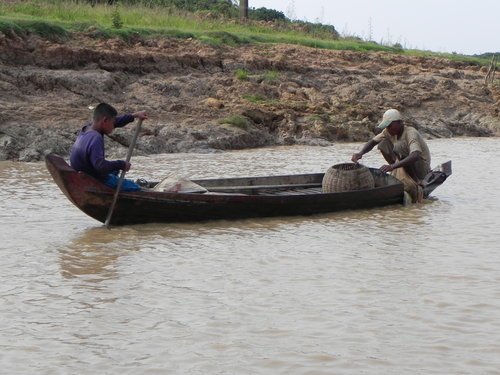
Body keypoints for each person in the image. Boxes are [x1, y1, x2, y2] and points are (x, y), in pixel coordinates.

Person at [351, 108, 431, 202]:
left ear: (399, 123)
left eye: (390, 126)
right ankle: (399, 171)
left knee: (400, 148)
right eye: (387, 126)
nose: (388, 129)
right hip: (404, 162)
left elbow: (416, 155)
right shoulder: (389, 131)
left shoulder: (410, 133)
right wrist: (360, 153)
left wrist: (392, 166)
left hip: (420, 167)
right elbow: (372, 142)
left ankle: (416, 181)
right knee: (382, 144)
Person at [70, 102, 148, 190]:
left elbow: (117, 121)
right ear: (105, 121)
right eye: (112, 123)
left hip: (86, 173)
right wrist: (121, 164)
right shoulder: (96, 138)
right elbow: (101, 166)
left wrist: (135, 115)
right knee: (135, 188)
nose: (113, 127)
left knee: (115, 170)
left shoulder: (87, 129)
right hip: (94, 180)